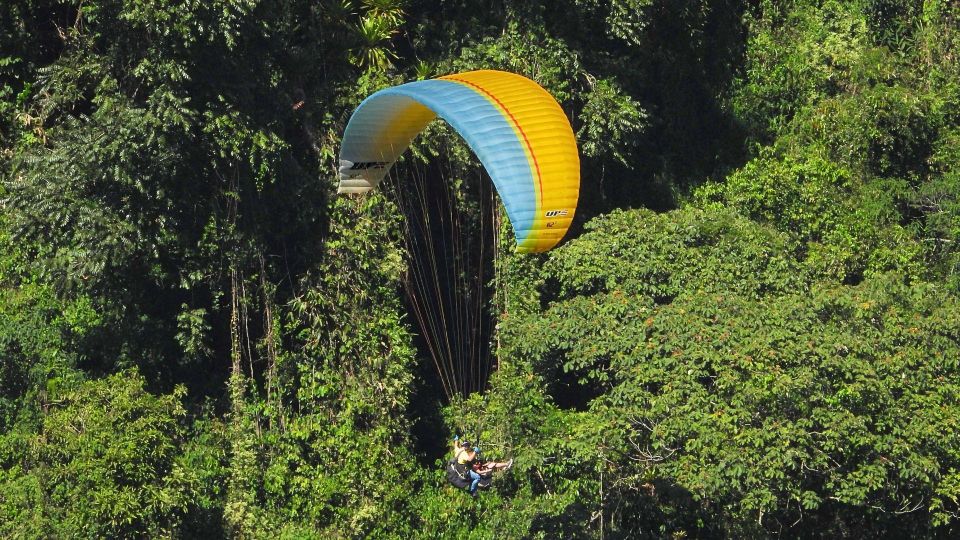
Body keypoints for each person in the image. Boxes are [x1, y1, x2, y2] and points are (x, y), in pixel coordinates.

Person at [446, 435, 513, 497]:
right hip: (465, 472)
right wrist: (475, 452)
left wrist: (456, 439)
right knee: (477, 477)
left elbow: (455, 445)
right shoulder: (465, 455)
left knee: (491, 464)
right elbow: (470, 460)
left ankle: (506, 465)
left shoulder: (458, 450)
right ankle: (472, 490)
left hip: (462, 469)